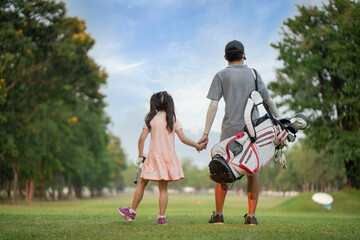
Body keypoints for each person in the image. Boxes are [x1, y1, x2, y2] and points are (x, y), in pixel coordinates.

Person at [198, 40, 280, 225]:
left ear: (226, 57)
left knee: (222, 169)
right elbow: (268, 101)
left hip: (229, 129)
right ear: (244, 55)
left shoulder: (221, 75)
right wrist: (280, 121)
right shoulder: (254, 74)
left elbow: (213, 105)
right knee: (252, 171)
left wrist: (205, 133)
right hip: (253, 131)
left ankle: (218, 215)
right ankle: (251, 217)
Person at [118, 91, 207, 225]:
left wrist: (140, 155)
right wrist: (197, 146)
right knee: (163, 188)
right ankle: (162, 217)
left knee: (142, 183)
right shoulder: (173, 119)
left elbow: (141, 139)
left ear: (154, 103)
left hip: (153, 157)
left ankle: (132, 211)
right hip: (168, 157)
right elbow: (183, 139)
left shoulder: (151, 119)